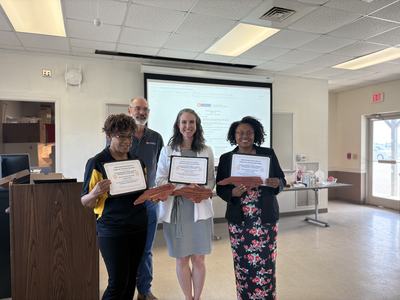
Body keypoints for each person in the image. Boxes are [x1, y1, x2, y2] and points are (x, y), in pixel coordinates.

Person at [216, 116, 286, 300]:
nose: (244, 136)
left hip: (265, 218)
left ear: (255, 134)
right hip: (239, 220)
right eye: (239, 133)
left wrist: (276, 183)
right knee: (242, 263)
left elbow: (282, 180)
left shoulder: (268, 154)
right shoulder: (226, 158)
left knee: (266, 262)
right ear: (234, 136)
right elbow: (220, 188)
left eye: (248, 132)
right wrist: (233, 193)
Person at [81, 114, 148, 300]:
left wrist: (154, 195)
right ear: (110, 135)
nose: (127, 141)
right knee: (117, 283)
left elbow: (143, 194)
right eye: (122, 136)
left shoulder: (138, 162)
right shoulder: (97, 162)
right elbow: (85, 202)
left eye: (130, 136)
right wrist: (94, 193)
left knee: (130, 281)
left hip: (138, 226)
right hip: (112, 228)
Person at [155, 108, 215, 300]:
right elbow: (160, 180)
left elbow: (211, 179)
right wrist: (181, 189)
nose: (188, 126)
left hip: (199, 209)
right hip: (177, 210)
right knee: (182, 258)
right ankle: (188, 298)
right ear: (178, 125)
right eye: (184, 122)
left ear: (197, 126)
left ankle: (197, 298)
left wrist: (201, 189)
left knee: (199, 258)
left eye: (191, 122)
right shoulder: (167, 150)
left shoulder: (206, 150)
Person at [128, 97, 164, 300]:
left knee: (146, 249)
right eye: (138, 108)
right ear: (130, 110)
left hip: (150, 203)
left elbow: (161, 168)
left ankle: (144, 290)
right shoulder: (120, 135)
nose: (141, 113)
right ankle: (125, 289)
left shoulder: (156, 137)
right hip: (126, 203)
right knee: (126, 248)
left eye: (145, 109)